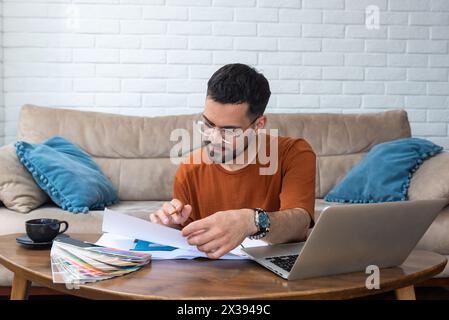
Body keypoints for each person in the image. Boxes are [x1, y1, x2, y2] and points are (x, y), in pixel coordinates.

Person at [150, 63, 316, 259]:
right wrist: (169, 229)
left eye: (229, 130)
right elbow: (188, 246)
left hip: (274, 276)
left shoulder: (294, 153)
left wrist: (250, 221)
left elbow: (300, 225)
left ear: (258, 125)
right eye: (208, 124)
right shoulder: (189, 170)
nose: (213, 138)